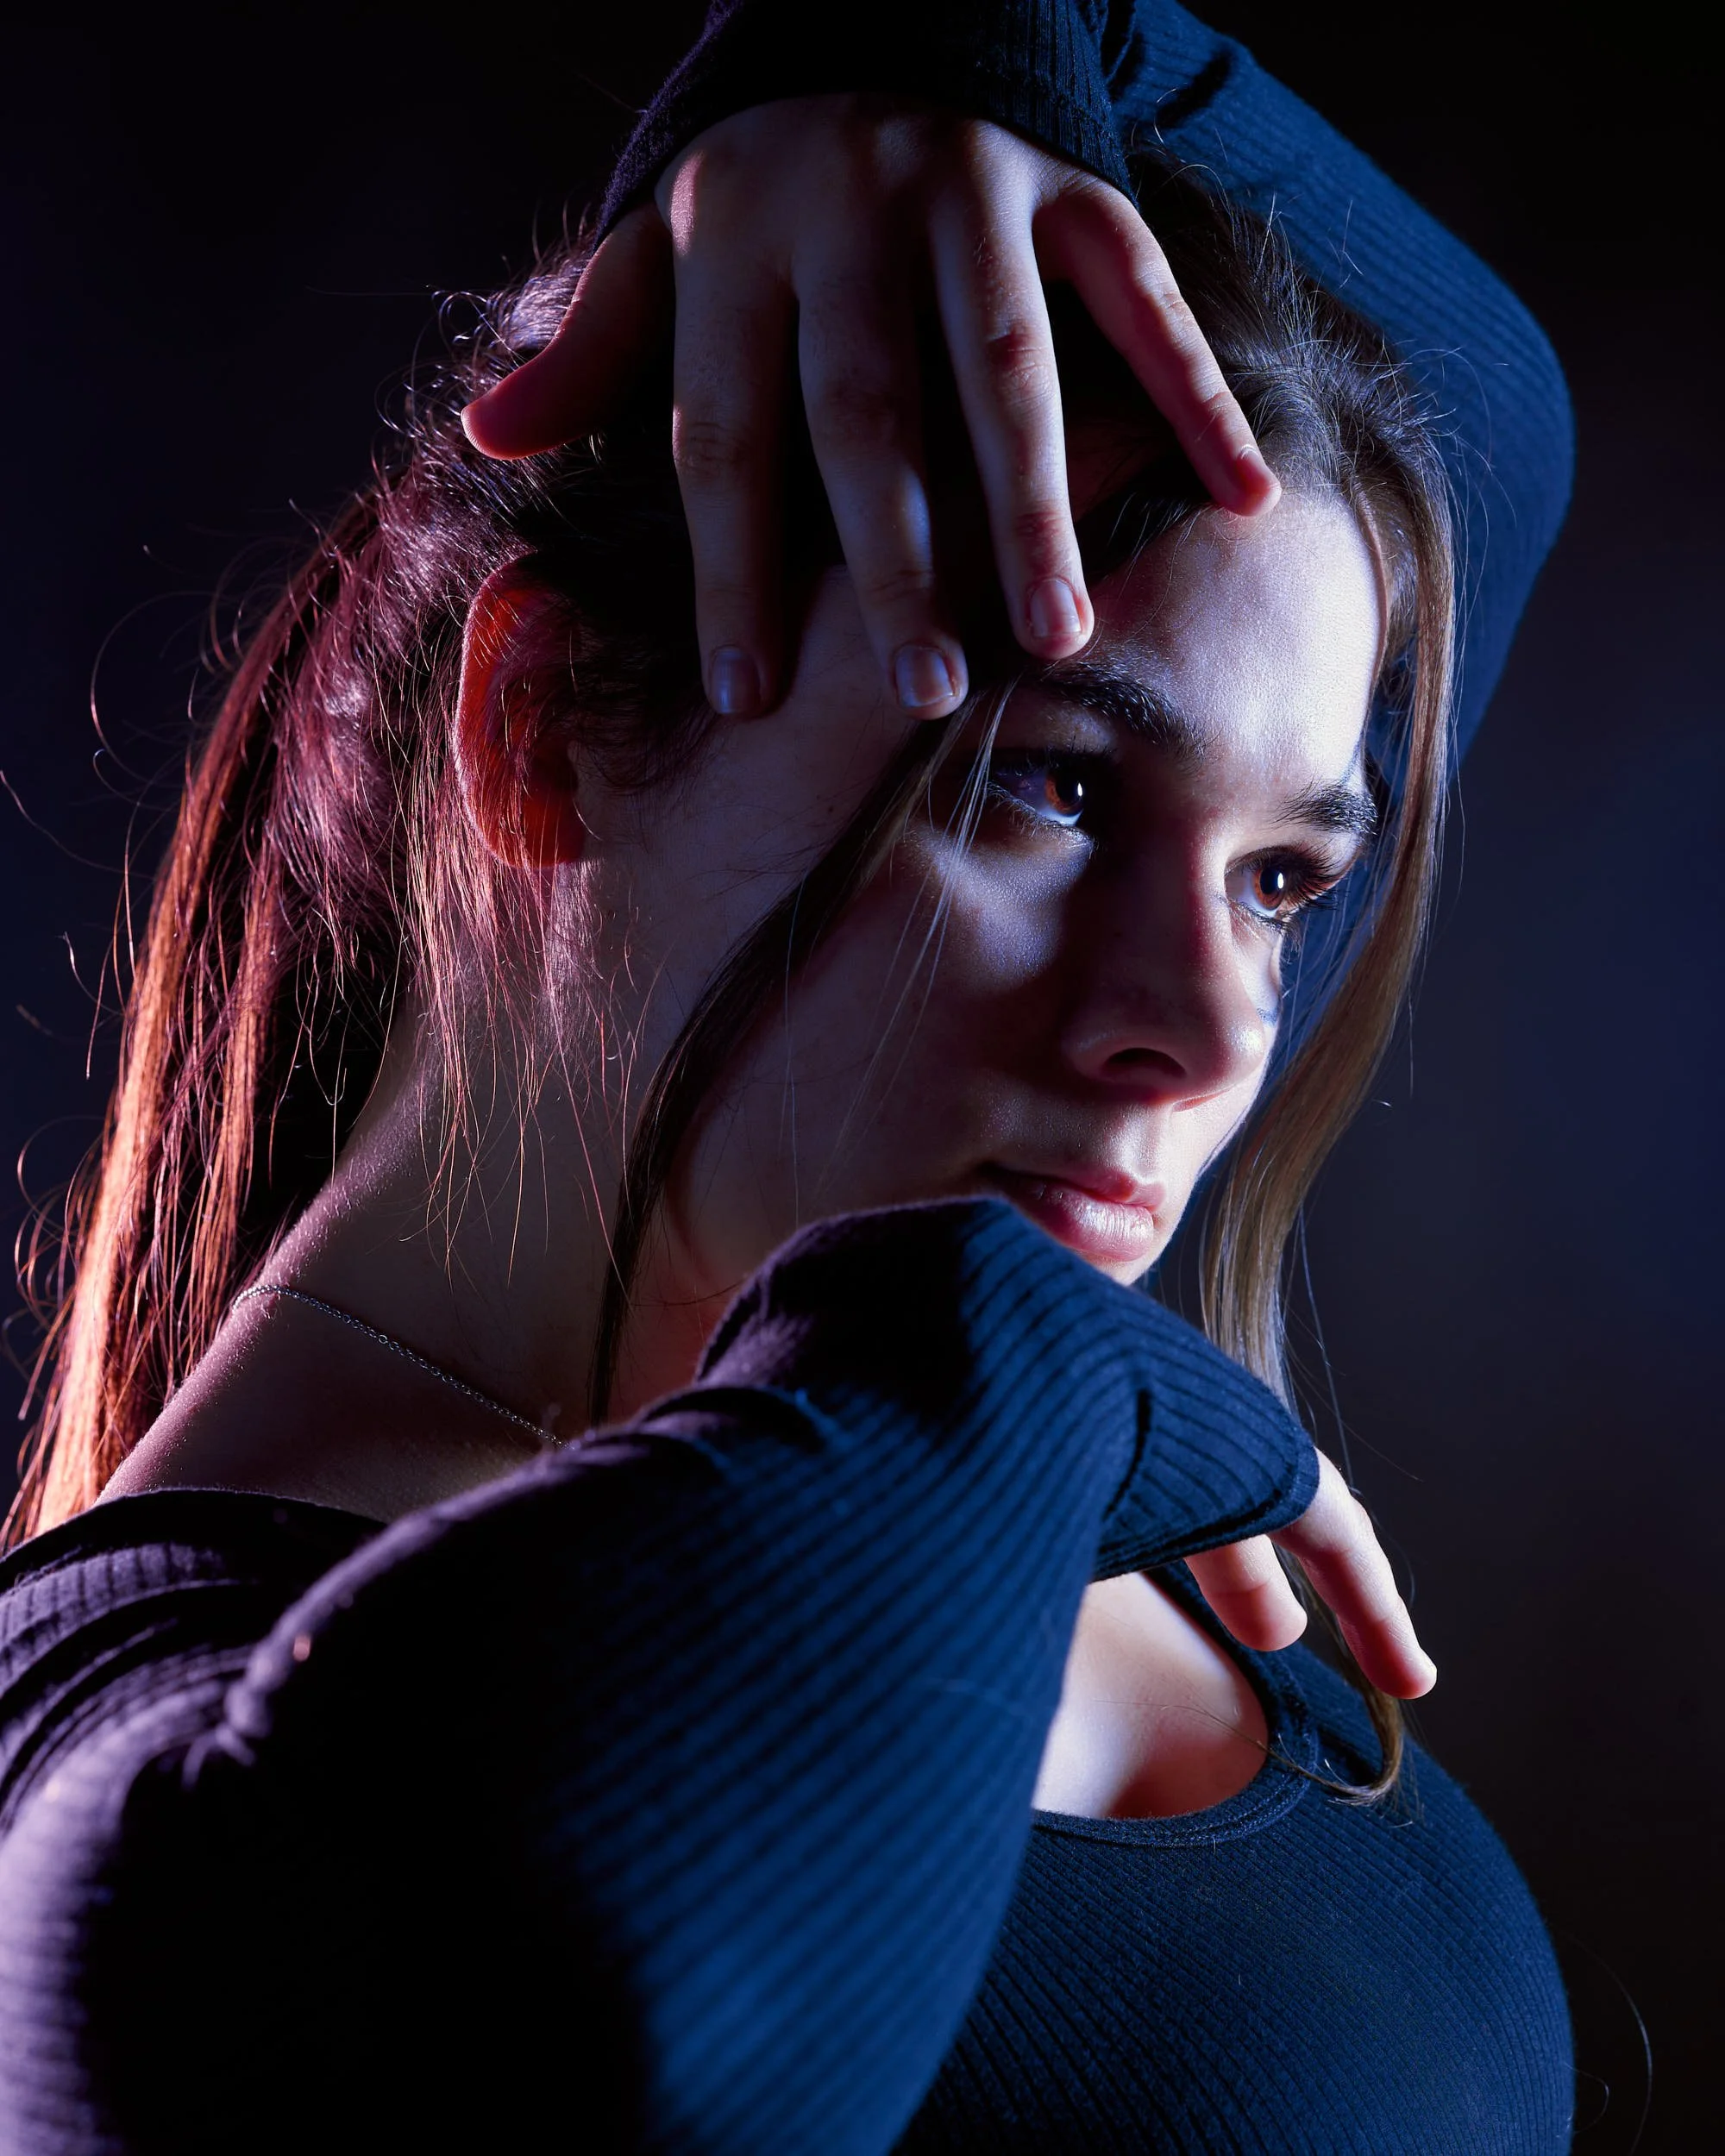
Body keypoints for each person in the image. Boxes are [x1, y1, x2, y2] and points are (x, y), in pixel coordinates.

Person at [0, 3, 1574, 2151]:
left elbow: (1480, 406)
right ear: (542, 733)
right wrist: (1007, 1356)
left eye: (1284, 873)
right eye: (1041, 785)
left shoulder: (1023, 1452)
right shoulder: (142, 1752)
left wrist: (938, 35)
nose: (1210, 1032)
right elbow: (644, 2038)